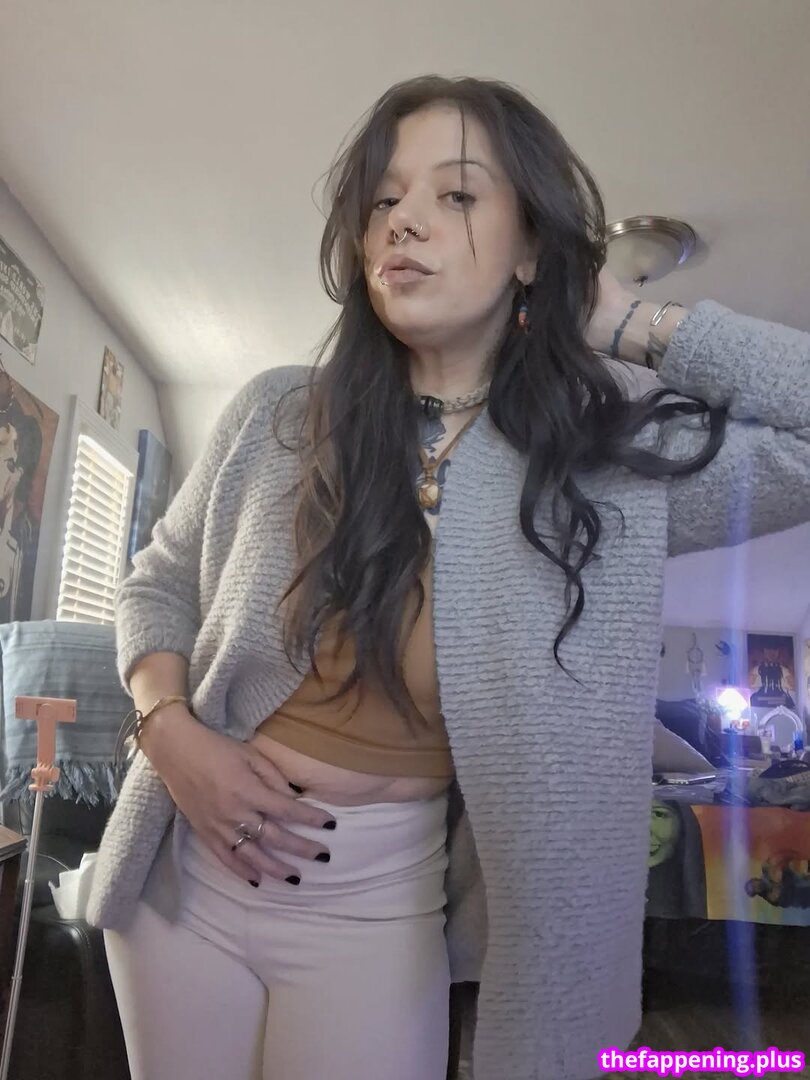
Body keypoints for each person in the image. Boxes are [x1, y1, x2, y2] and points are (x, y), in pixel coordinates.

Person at [87, 75, 810, 1080]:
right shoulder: (277, 415)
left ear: (530, 250)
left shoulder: (605, 465)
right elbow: (156, 583)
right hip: (185, 884)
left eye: (457, 194)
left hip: (377, 912)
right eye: (384, 199)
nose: (404, 220)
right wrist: (168, 732)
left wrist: (633, 322)